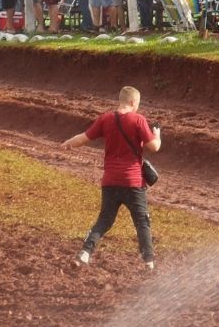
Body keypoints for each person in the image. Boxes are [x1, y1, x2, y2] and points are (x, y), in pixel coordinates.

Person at [63, 85, 161, 270]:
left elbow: (83, 138)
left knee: (104, 221)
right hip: (132, 182)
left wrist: (68, 143)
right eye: (137, 104)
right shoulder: (138, 120)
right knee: (142, 222)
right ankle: (148, 262)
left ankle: (84, 253)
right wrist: (157, 135)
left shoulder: (105, 119)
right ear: (133, 102)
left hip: (110, 182)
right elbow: (154, 147)